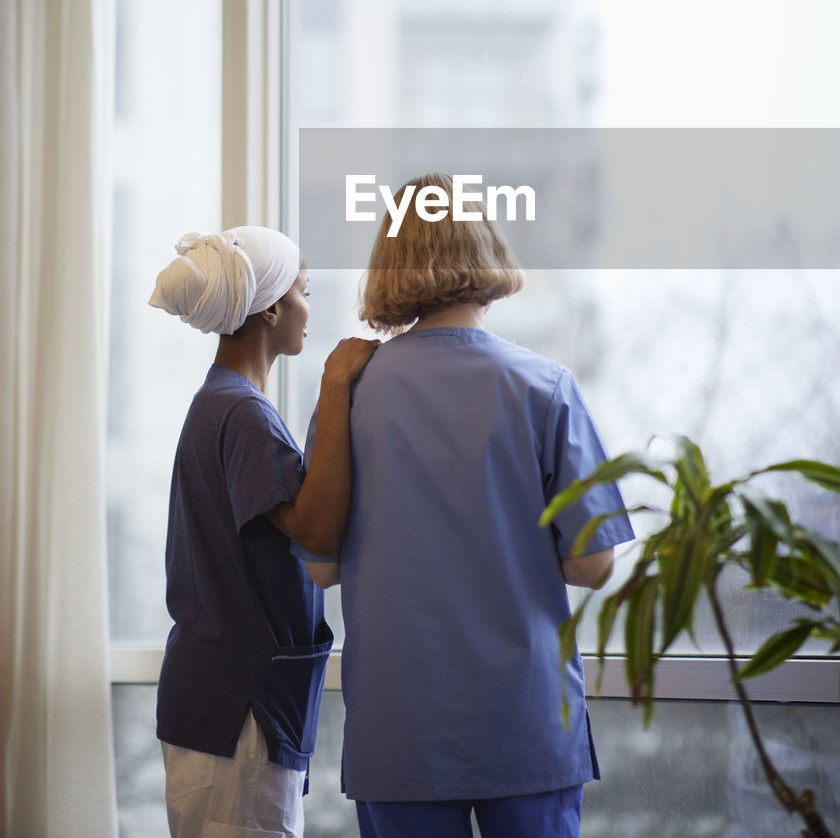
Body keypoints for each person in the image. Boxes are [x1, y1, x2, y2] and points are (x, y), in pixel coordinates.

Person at [300, 175, 635, 838]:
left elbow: (320, 568)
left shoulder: (349, 396)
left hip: (401, 730)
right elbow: (595, 564)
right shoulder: (545, 388)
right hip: (526, 722)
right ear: (487, 252)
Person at [149, 225, 377, 838]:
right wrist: (335, 386)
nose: (310, 308)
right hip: (237, 718)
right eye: (302, 292)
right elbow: (314, 531)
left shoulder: (222, 401)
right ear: (271, 308)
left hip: (220, 712)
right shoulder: (243, 413)